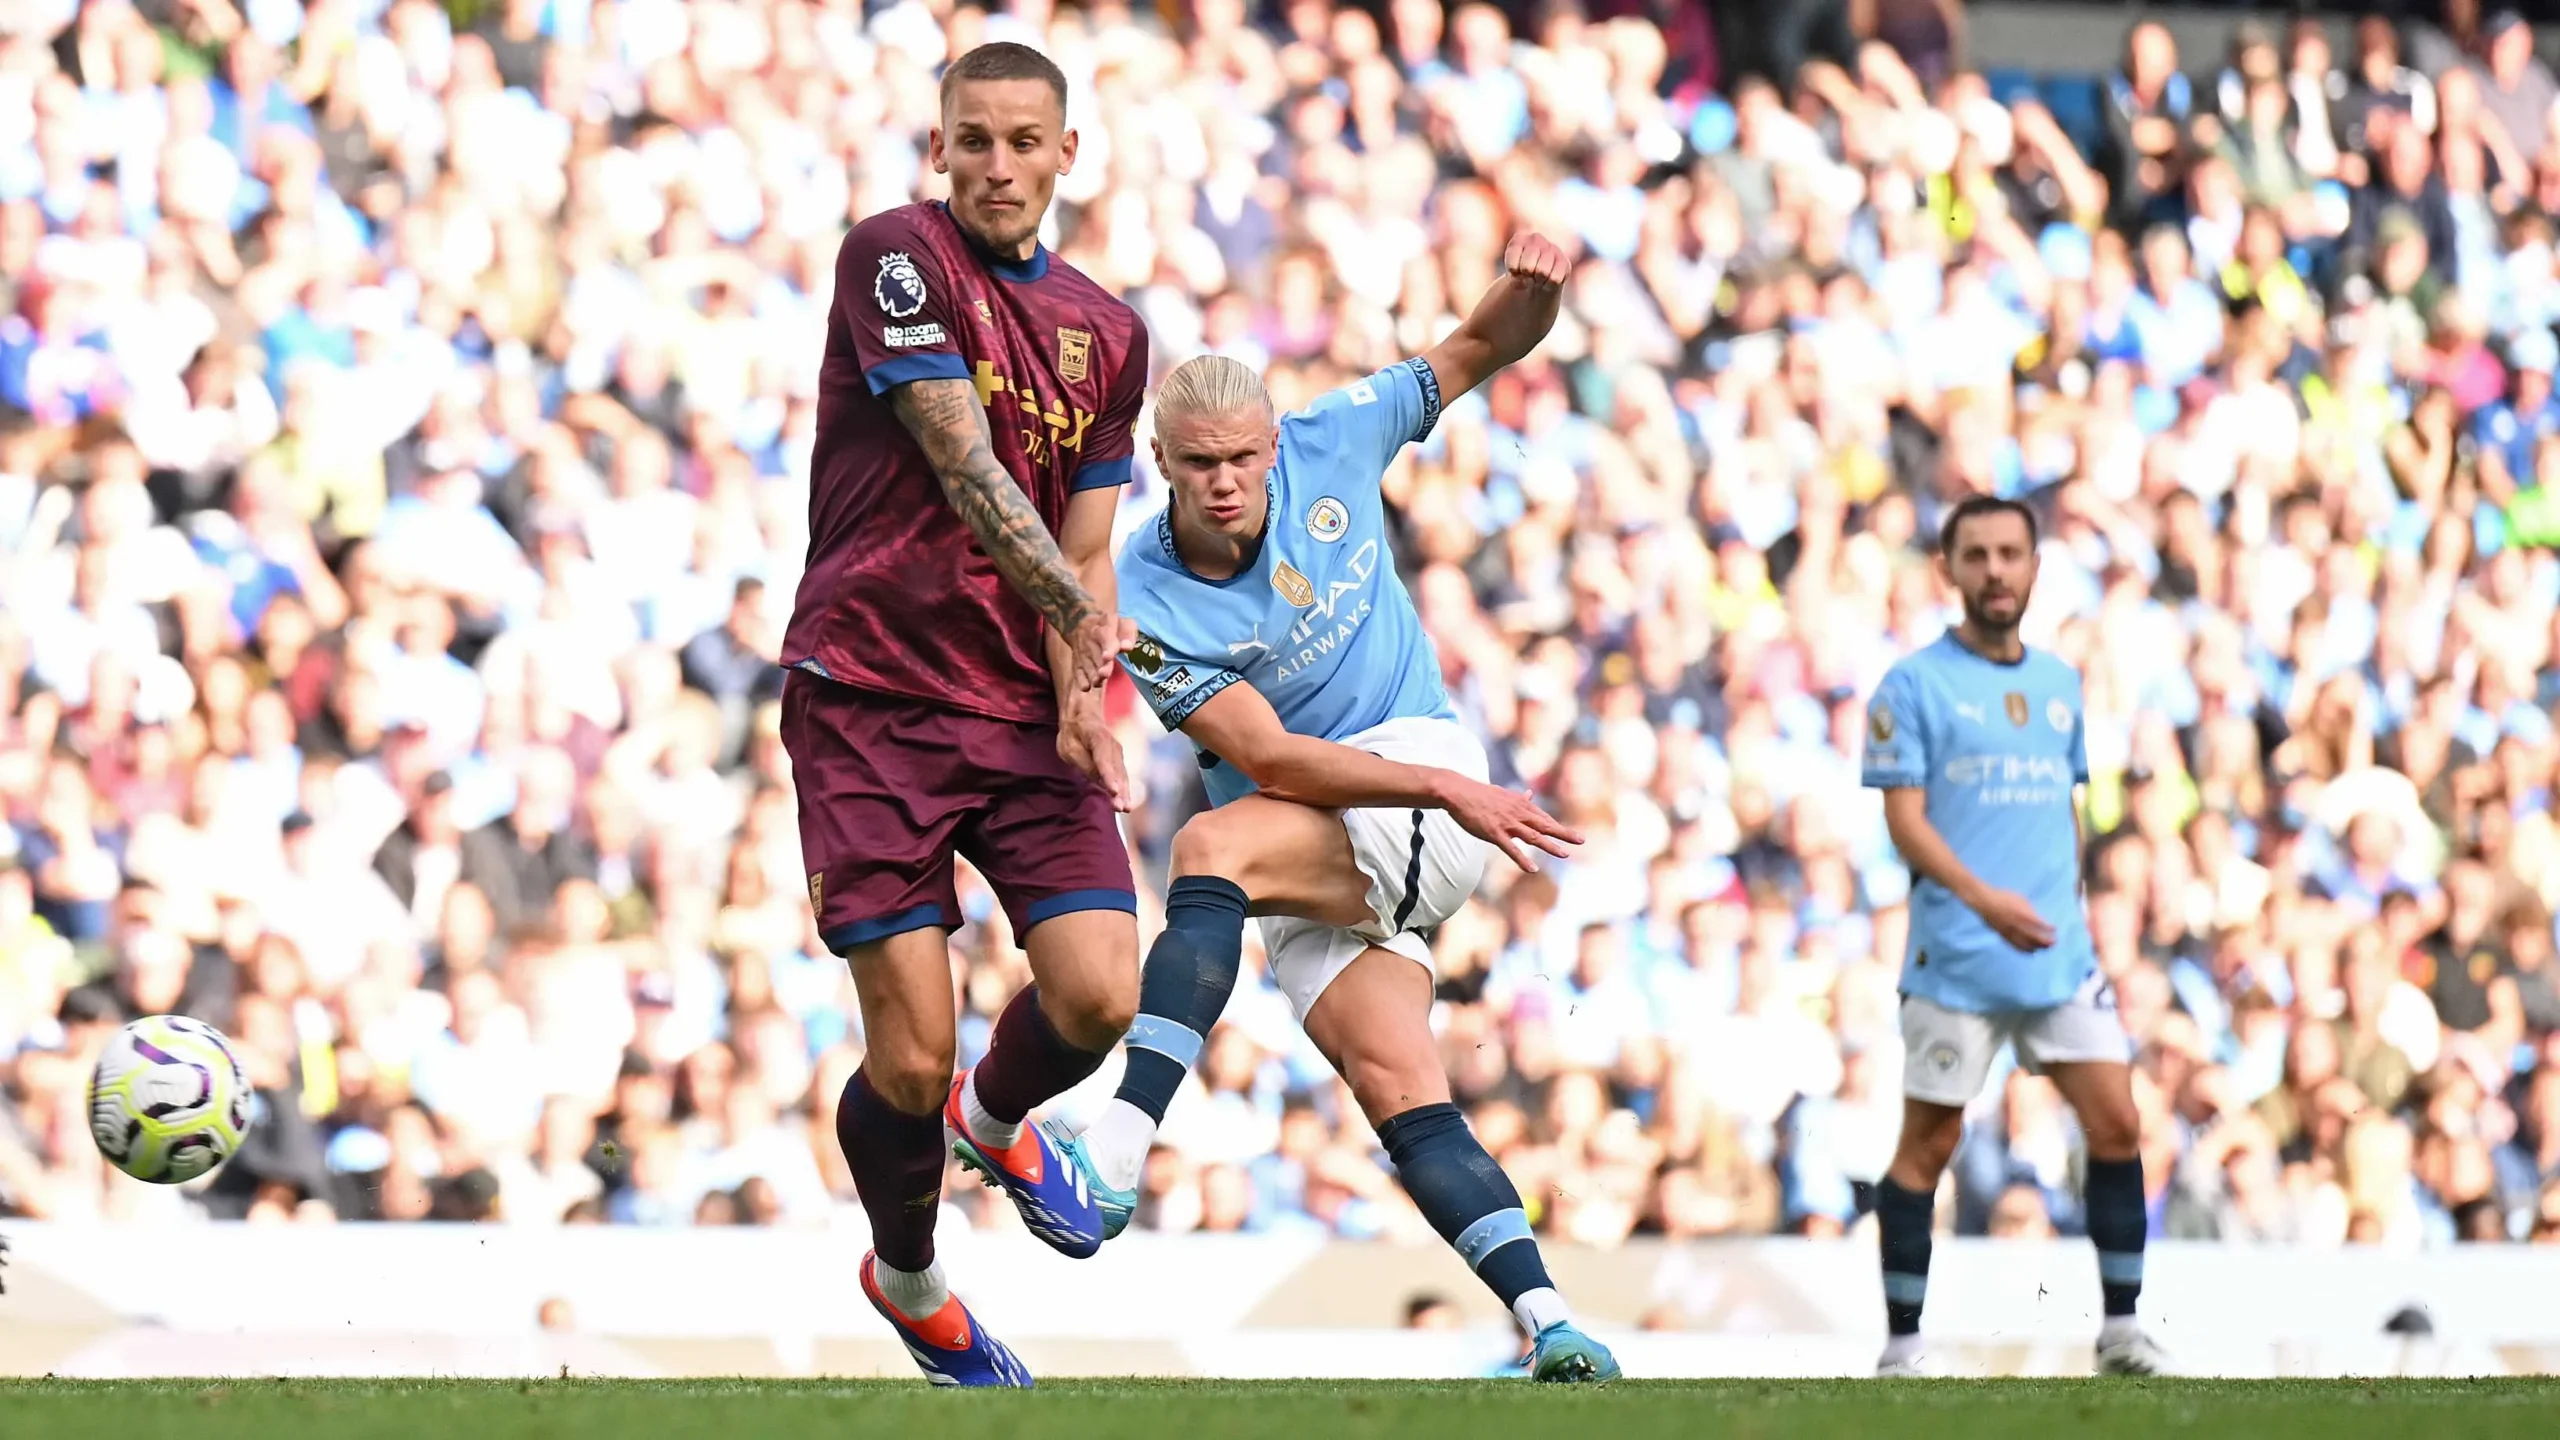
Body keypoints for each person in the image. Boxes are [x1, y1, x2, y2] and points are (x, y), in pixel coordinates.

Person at [1060, 235, 1618, 1383]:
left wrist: (1536, 292)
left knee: (1208, 843)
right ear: (1159, 462)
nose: (1225, 481)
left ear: (1274, 444)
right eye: (1198, 463)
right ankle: (1556, 1324)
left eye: (1242, 458)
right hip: (1343, 820)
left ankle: (1115, 1149)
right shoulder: (1146, 596)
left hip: (1413, 773)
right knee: (1398, 1088)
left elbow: (1476, 347)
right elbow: (1276, 758)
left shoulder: (1338, 432)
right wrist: (1446, 792)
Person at [780, 42, 1151, 1388]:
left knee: (1105, 990)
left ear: (1066, 153)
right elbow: (965, 461)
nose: (998, 164)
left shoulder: (1111, 331)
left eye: (1023, 141)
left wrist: (1080, 696)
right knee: (912, 1053)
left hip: (1015, 705)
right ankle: (912, 1276)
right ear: (941, 149)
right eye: (974, 140)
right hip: (870, 694)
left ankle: (1003, 1119)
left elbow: (1084, 539)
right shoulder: (895, 256)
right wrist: (1090, 624)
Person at [1858, 495, 2169, 1378]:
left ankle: (2119, 1330)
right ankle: (1904, 1345)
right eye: (1978, 555)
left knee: (2117, 1121)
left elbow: (2064, 810)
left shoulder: (2061, 684)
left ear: (2034, 568)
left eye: (2011, 554)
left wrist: (2066, 905)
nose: (1996, 570)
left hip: (2058, 957)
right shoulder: (1912, 685)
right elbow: (1906, 824)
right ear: (1948, 570)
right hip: (1957, 957)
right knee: (1929, 1145)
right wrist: (1987, 901)